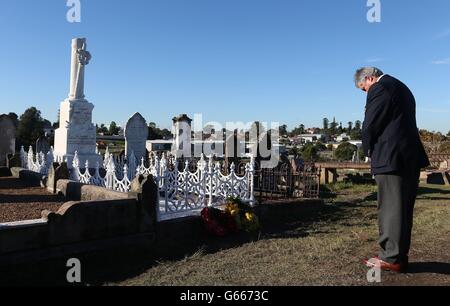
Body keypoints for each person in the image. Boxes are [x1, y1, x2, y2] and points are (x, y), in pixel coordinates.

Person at [354, 67, 430, 273]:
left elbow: (370, 124)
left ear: (369, 78)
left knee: (390, 209)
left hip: (391, 157)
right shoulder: (401, 87)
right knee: (403, 209)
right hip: (408, 157)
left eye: (363, 88)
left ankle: (390, 257)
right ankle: (399, 255)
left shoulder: (380, 88)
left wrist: (367, 148)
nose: (365, 92)